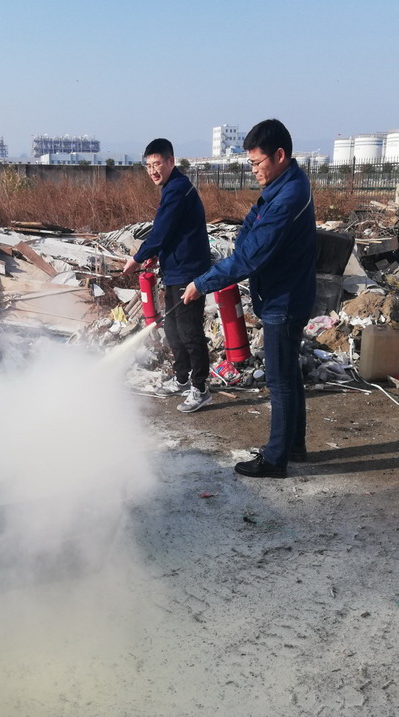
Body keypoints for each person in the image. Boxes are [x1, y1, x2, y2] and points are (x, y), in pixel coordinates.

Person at [182, 119, 316, 478]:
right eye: (250, 163)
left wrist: (202, 283)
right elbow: (249, 233)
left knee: (280, 381)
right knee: (289, 374)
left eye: (257, 163)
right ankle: (294, 445)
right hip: (285, 293)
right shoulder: (282, 186)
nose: (253, 170)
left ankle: (275, 459)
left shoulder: (287, 197)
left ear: (280, 155)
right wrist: (245, 244)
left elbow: (248, 257)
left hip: (283, 299)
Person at [123, 138, 213, 413]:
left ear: (171, 161)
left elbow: (161, 231)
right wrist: (156, 255)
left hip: (189, 270)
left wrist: (138, 258)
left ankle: (201, 388)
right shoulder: (171, 188)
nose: (152, 170)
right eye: (148, 165)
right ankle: (182, 378)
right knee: (173, 328)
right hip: (175, 269)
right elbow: (172, 231)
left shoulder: (177, 190)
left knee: (189, 330)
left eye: (157, 164)